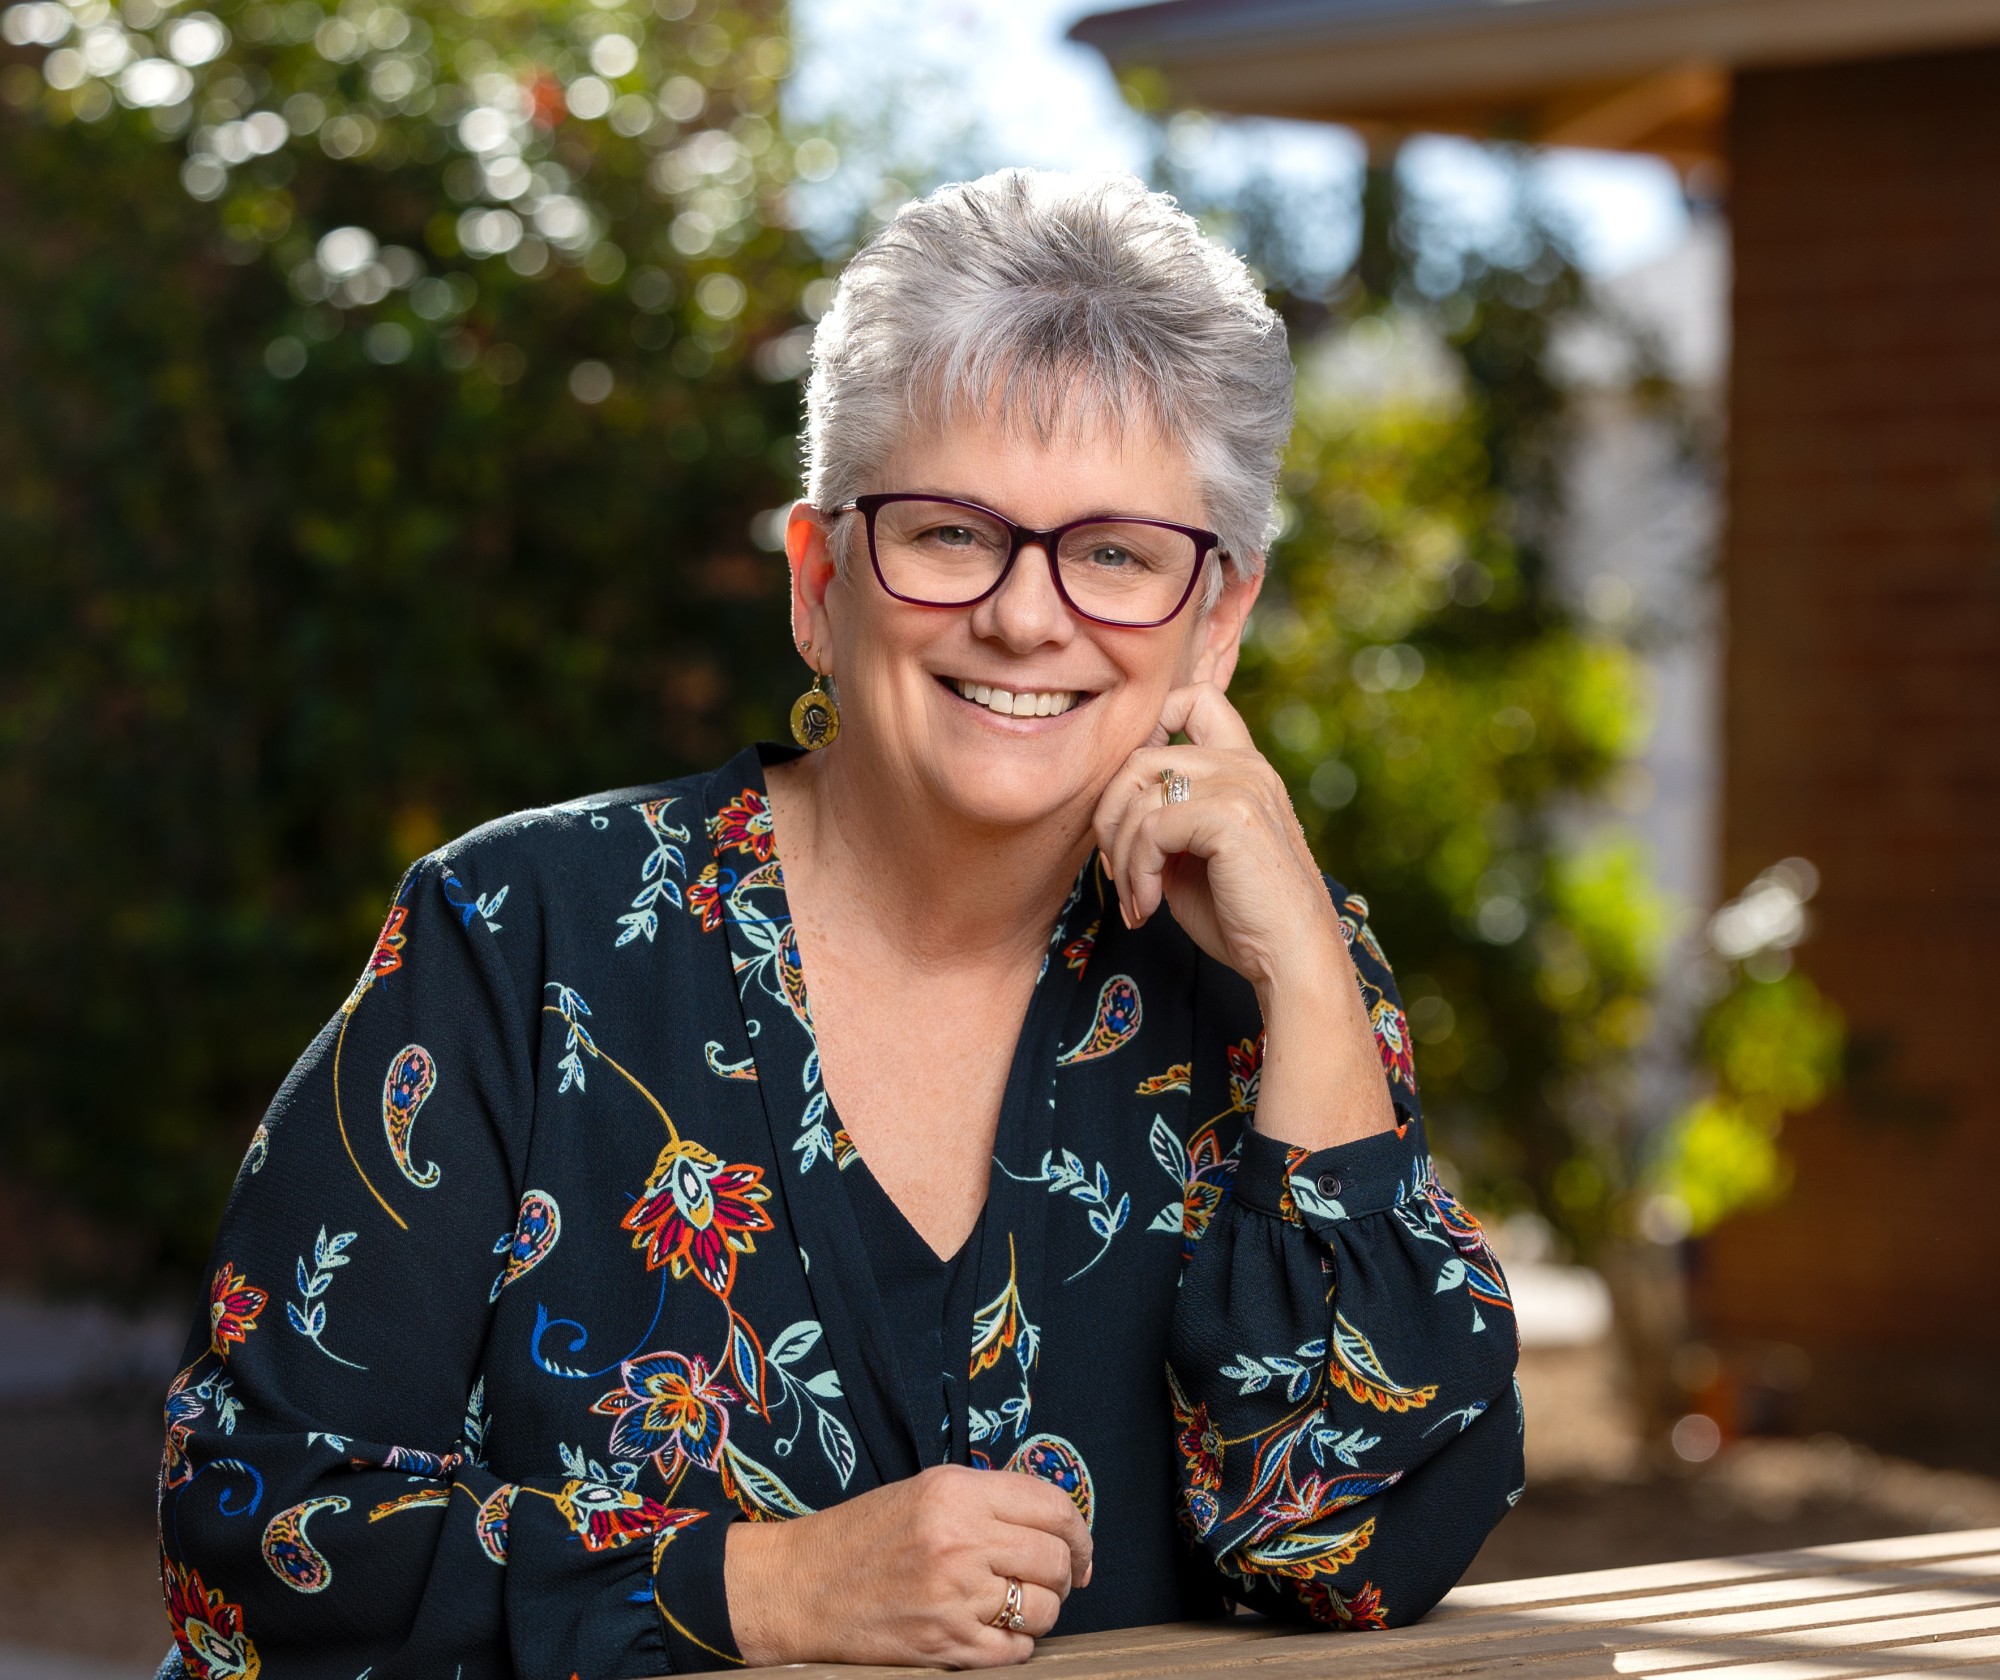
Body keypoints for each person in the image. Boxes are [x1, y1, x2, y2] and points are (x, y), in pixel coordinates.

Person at [156, 168, 1523, 1680]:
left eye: (1118, 555)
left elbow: (1346, 1553)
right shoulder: (517, 935)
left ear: (1218, 620)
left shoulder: (1282, 981)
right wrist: (762, 1591)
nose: (1025, 615)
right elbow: (253, 1536)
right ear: (819, 583)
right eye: (951, 534)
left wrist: (1312, 988)